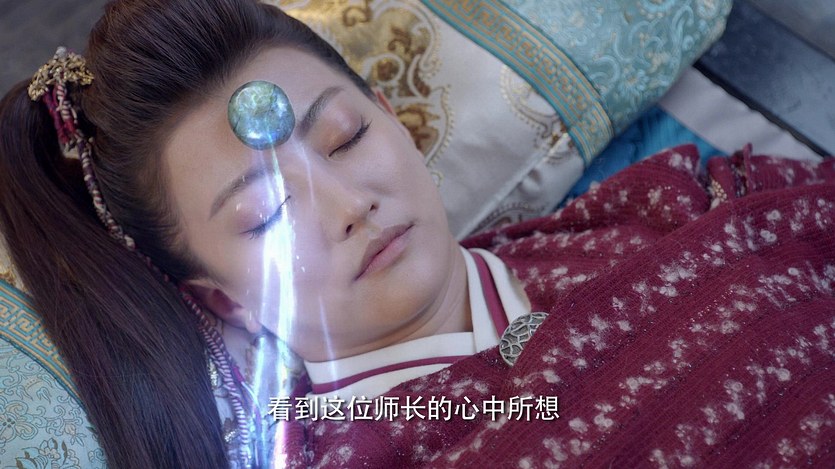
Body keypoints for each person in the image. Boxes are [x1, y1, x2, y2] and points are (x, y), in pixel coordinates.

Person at [0, 0, 833, 468]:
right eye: (266, 218)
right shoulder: (354, 453)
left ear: (393, 118)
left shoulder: (653, 204)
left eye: (345, 138)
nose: (347, 204)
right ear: (225, 300)